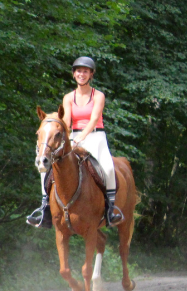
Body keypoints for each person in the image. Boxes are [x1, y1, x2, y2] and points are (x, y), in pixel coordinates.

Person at [27, 56, 123, 228]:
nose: (82, 74)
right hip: (73, 137)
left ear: (91, 74)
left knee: (108, 167)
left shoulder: (98, 96)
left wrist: (82, 136)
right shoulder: (68, 97)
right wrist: (66, 137)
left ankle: (110, 209)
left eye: (85, 71)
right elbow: (67, 122)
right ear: (74, 74)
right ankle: (44, 207)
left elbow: (94, 120)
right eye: (79, 71)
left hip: (95, 136)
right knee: (46, 163)